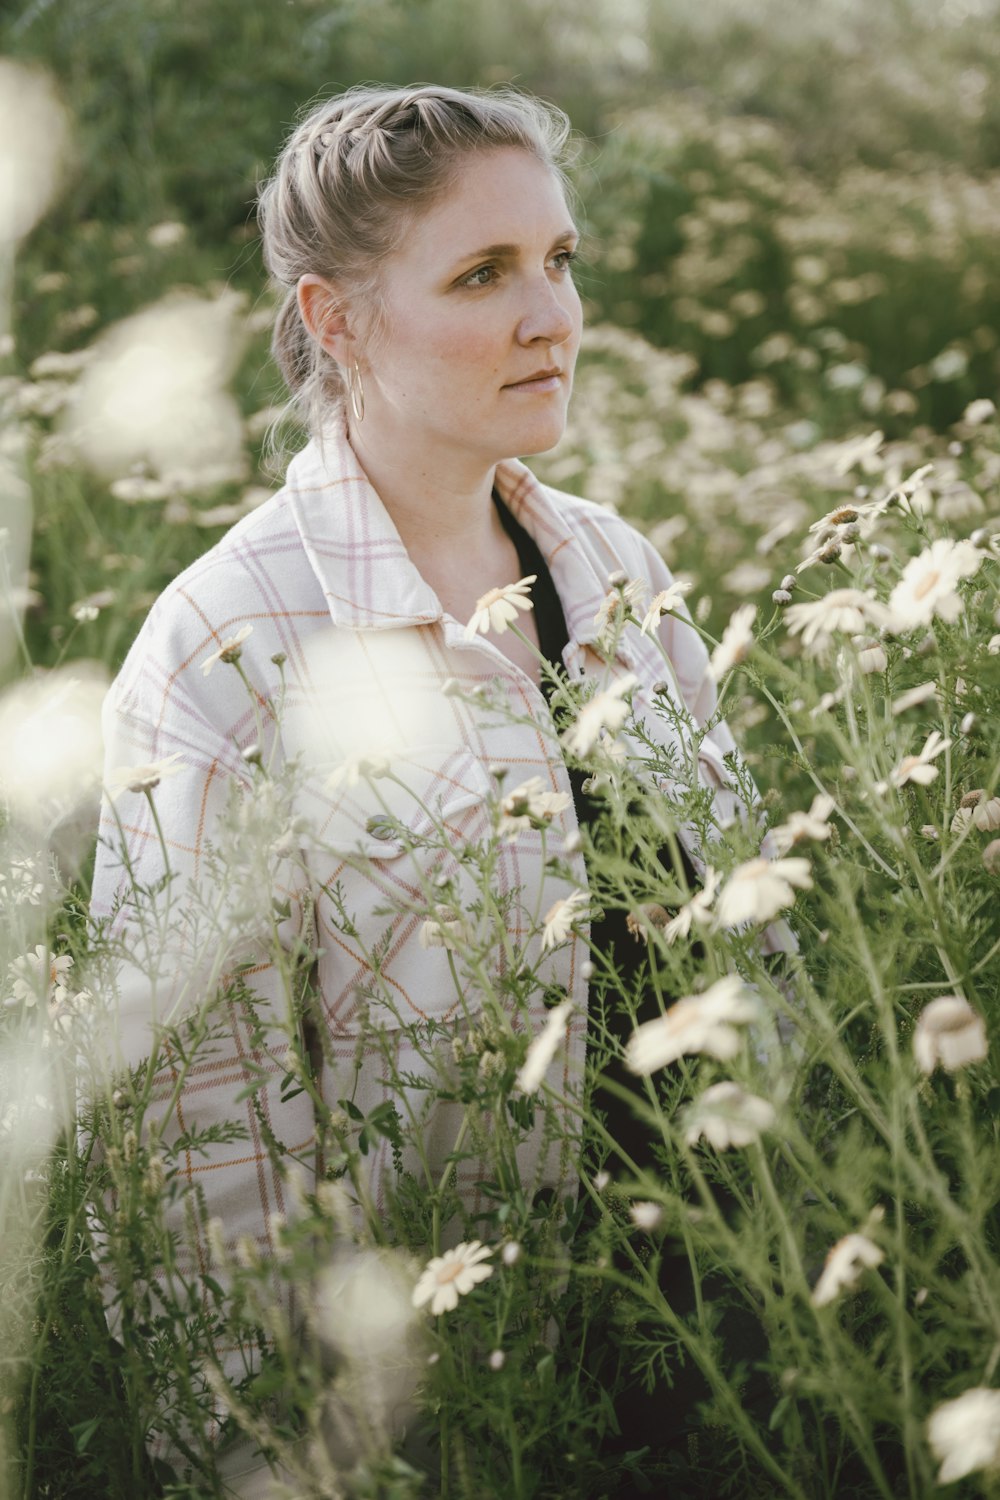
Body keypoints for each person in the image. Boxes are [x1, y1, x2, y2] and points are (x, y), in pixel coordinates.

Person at [90, 83, 789, 1496]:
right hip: (448, 1416)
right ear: (335, 321)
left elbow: (755, 931)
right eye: (484, 274)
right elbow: (196, 1150)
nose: (553, 316)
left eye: (559, 262)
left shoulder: (618, 573)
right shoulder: (229, 648)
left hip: (723, 1349)